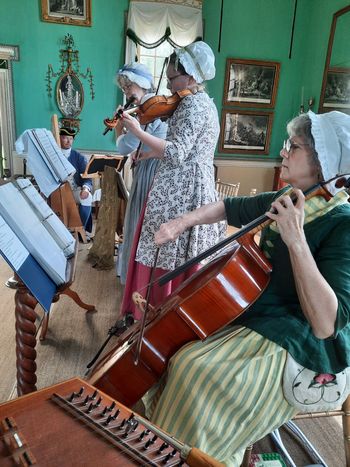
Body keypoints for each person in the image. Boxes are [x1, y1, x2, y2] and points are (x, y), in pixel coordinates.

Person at [140, 110, 350, 466]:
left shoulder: (341, 224)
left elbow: (327, 324)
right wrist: (181, 222)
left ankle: (203, 457)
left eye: (293, 147)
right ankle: (168, 450)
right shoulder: (292, 196)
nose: (283, 152)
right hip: (259, 312)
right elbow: (229, 206)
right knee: (179, 354)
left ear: (323, 163)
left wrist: (296, 240)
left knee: (198, 374)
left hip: (300, 339)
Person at [120, 41, 225, 319]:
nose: (168, 87)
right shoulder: (203, 103)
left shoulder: (192, 104)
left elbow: (177, 153)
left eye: (172, 79)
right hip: (189, 183)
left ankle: (158, 315)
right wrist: (148, 154)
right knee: (173, 249)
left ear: (190, 75)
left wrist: (138, 132)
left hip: (183, 189)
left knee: (168, 248)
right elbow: (182, 149)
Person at [114, 62, 167, 285]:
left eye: (129, 86)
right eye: (124, 88)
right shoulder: (146, 109)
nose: (126, 92)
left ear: (143, 85)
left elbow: (125, 146)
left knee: (139, 222)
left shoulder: (149, 110)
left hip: (151, 171)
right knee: (138, 222)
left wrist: (119, 129)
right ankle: (135, 276)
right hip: (148, 164)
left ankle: (135, 279)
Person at [59, 127, 93, 235]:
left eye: (71, 138)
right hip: (58, 193)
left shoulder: (79, 157)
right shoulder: (54, 156)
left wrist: (86, 189)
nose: (68, 141)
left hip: (74, 191)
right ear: (59, 138)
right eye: (65, 138)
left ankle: (80, 229)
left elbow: (87, 178)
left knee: (88, 197)